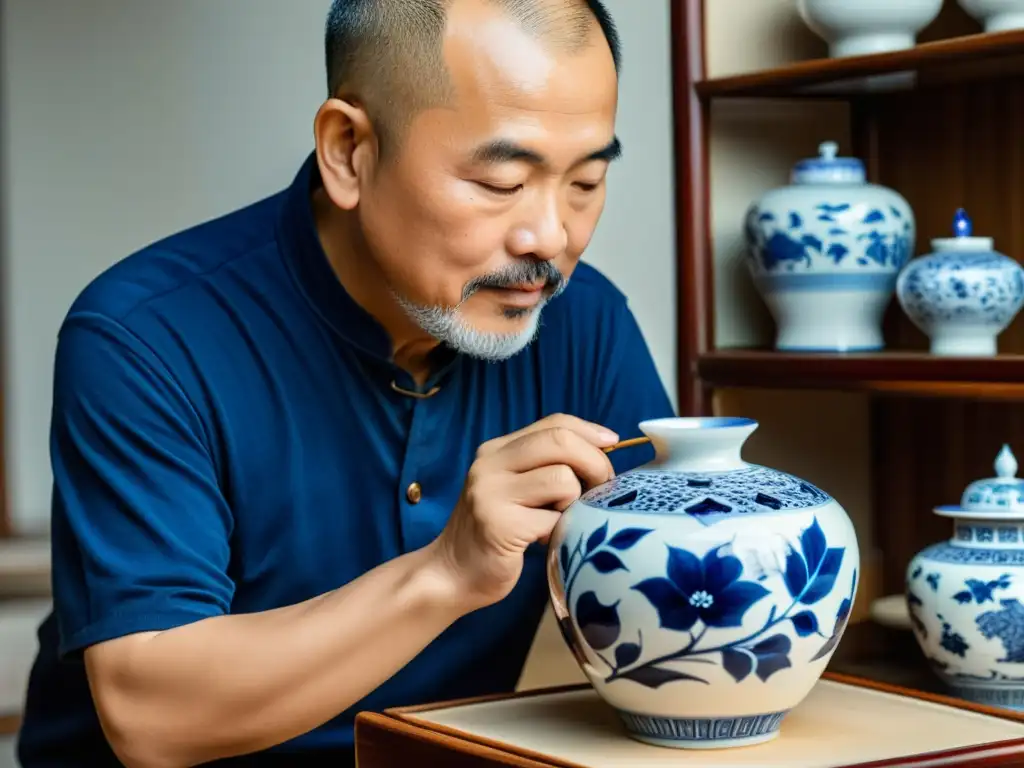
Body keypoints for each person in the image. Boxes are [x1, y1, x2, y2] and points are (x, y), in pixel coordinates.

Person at [16, 0, 675, 765]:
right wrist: (447, 570)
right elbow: (150, 715)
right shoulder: (145, 337)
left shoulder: (581, 321)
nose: (550, 239)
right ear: (348, 151)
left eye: (586, 182)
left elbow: (666, 589)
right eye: (501, 183)